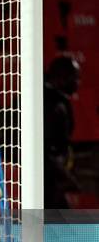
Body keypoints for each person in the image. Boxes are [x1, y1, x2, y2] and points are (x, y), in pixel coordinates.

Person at [44, 55, 80, 209]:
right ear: (61, 77)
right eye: (75, 77)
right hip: (47, 178)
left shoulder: (56, 101)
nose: (78, 82)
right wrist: (64, 176)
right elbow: (45, 149)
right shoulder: (51, 105)